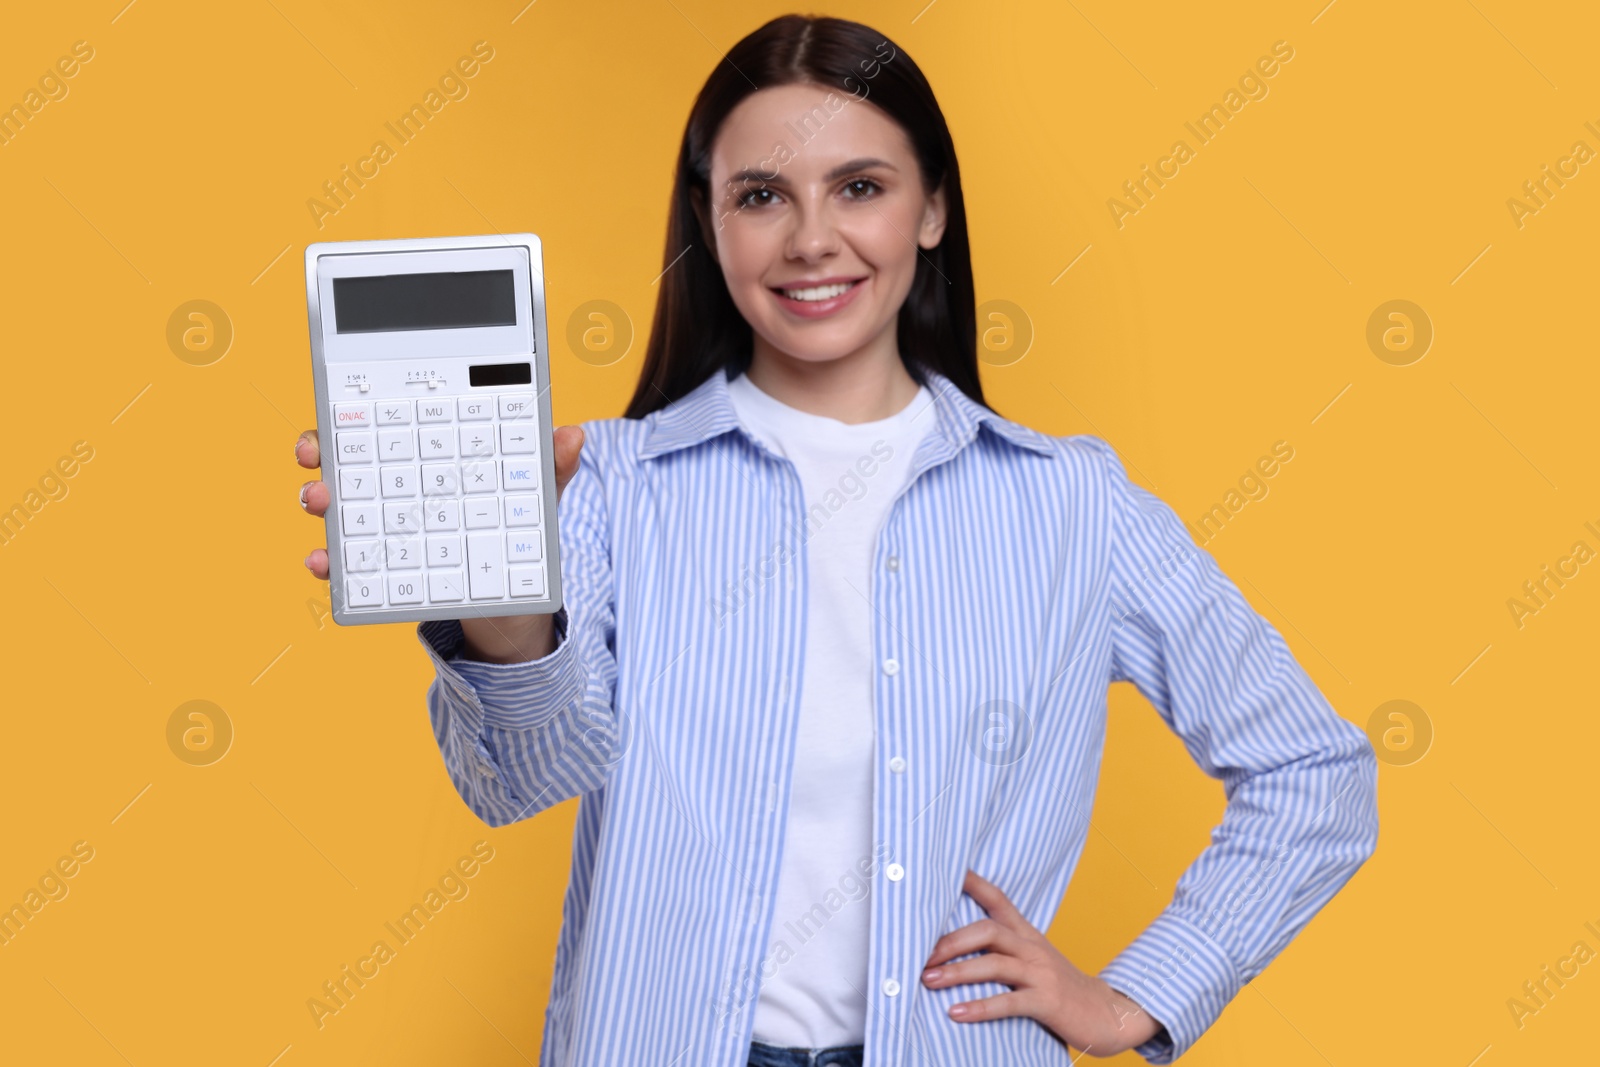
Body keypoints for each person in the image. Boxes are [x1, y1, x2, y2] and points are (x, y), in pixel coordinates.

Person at [293, 14, 1378, 1067]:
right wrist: (498, 582)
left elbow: (1313, 768)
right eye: (760, 196)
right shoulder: (614, 484)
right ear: (709, 221)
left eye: (859, 187)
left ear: (932, 210)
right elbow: (519, 780)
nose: (811, 239)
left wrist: (1138, 994)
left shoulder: (1073, 506)